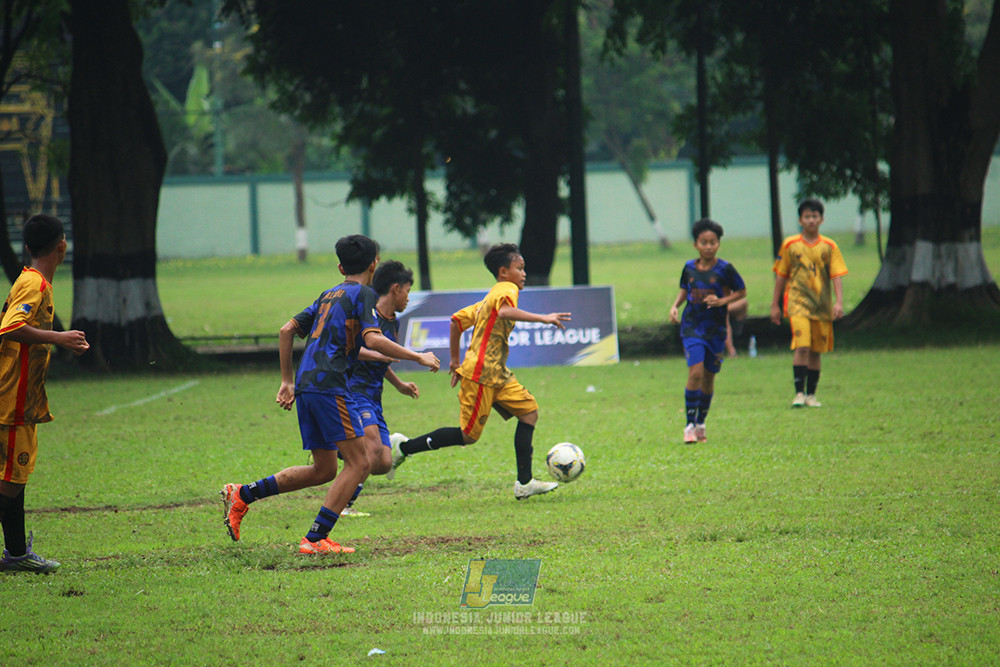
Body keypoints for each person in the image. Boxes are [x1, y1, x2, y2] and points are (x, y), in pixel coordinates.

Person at [220, 235, 439, 555]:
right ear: (374, 264)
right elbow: (373, 340)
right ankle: (314, 538)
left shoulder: (328, 294)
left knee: (323, 470)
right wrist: (417, 356)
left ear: (340, 267)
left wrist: (286, 381)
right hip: (331, 386)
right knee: (360, 462)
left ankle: (243, 494)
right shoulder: (363, 293)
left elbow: (286, 330)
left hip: (308, 385)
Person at [388, 243, 571, 500]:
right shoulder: (507, 290)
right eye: (520, 268)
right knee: (468, 436)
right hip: (481, 374)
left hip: (497, 373)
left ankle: (524, 482)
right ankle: (403, 448)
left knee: (529, 413)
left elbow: (456, 320)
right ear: (503, 272)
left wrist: (454, 361)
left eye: (524, 269)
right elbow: (505, 311)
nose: (524, 273)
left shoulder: (488, 299)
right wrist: (544, 318)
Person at [0, 215, 89, 573]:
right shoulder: (34, 284)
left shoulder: (32, 281)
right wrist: (59, 337)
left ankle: (18, 553)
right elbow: (11, 327)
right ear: (61, 245)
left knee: (13, 478)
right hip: (12, 398)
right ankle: (18, 554)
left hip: (21, 396)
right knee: (10, 480)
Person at [340, 260, 421, 517]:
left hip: (374, 395)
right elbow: (352, 348)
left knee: (383, 462)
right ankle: (343, 505)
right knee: (371, 450)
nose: (409, 298)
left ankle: (338, 450)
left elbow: (385, 359)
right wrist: (379, 355)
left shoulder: (393, 322)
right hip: (355, 390)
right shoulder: (368, 314)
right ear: (396, 289)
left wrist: (399, 384)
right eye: (408, 291)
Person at [669, 218, 747, 444]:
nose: (709, 246)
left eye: (713, 242)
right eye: (704, 242)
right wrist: (675, 306)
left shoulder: (725, 269)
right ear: (696, 244)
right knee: (695, 373)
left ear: (718, 244)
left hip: (716, 329)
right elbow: (685, 289)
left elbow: (741, 291)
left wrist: (723, 301)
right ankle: (689, 425)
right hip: (692, 326)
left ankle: (701, 422)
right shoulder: (689, 268)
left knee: (709, 376)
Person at [770, 198, 848, 408]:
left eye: (815, 216)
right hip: (797, 304)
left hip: (821, 305)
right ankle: (798, 393)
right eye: (807, 217)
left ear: (821, 219)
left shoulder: (829, 246)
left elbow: (837, 275)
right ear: (800, 220)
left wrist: (838, 302)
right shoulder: (790, 244)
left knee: (816, 350)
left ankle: (811, 395)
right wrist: (775, 304)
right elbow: (781, 275)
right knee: (802, 346)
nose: (811, 220)